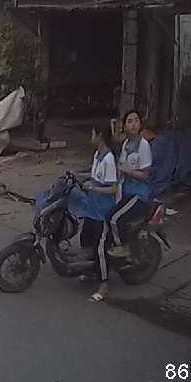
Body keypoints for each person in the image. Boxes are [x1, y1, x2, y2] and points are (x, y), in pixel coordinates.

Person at [81, 123, 122, 302]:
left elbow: (113, 188)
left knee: (100, 248)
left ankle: (104, 285)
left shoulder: (109, 159)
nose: (91, 137)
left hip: (103, 212)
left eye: (92, 134)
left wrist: (94, 188)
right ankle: (92, 271)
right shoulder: (97, 155)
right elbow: (94, 178)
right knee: (86, 240)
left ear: (99, 136)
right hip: (92, 209)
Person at [108, 110, 155, 258]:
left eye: (136, 120)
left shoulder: (143, 145)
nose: (134, 124)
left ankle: (124, 247)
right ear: (124, 126)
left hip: (139, 194)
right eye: (130, 121)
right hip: (126, 190)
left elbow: (146, 175)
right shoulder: (126, 144)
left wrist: (129, 171)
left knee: (114, 219)